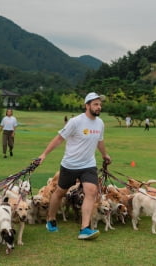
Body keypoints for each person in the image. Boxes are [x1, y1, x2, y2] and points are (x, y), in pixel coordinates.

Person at [38, 92, 111, 240]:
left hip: (89, 164)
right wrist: (43, 154)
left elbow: (99, 141)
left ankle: (85, 228)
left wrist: (105, 155)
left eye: (100, 104)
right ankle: (51, 218)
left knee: (91, 191)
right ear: (87, 105)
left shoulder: (100, 123)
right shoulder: (75, 122)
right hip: (70, 164)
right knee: (60, 192)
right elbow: (59, 139)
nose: (99, 107)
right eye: (96, 104)